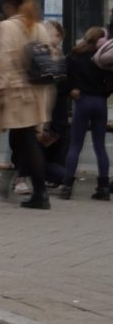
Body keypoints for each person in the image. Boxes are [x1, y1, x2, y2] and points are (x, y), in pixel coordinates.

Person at [0, 0, 60, 210]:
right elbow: (51, 56)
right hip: (38, 91)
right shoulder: (38, 26)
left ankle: (40, 193)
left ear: (10, 5)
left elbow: (3, 62)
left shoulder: (6, 26)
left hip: (17, 92)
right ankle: (12, 183)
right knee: (23, 138)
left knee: (27, 140)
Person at [60, 26, 111, 201]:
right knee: (100, 146)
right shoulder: (103, 59)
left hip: (82, 100)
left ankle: (67, 186)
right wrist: (104, 93)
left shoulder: (74, 55)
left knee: (75, 145)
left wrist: (71, 89)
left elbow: (63, 77)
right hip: (100, 102)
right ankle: (103, 187)